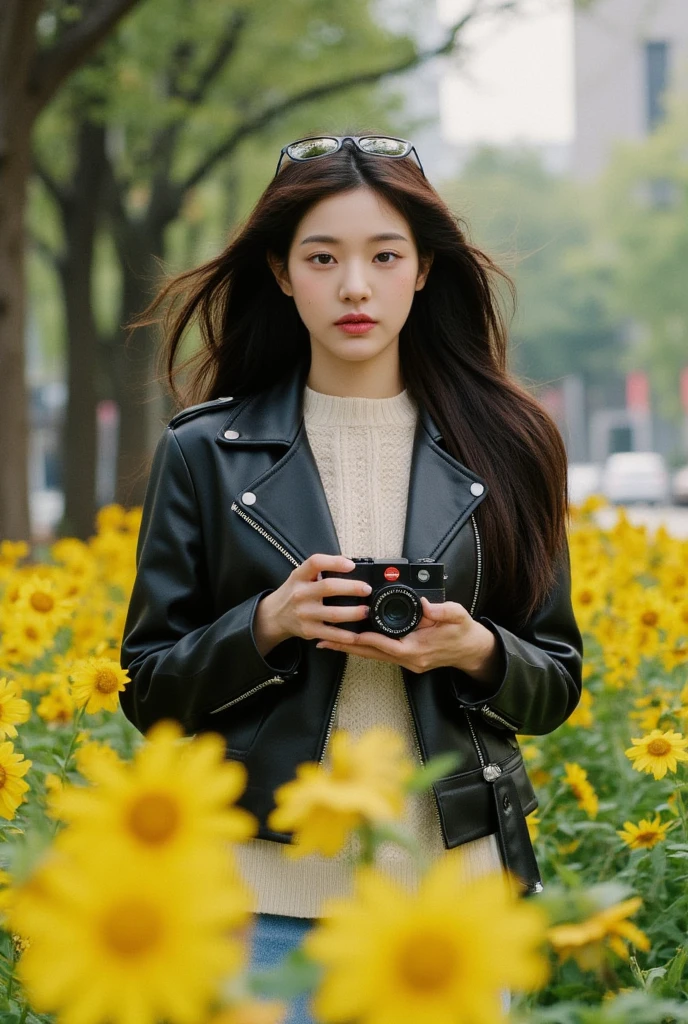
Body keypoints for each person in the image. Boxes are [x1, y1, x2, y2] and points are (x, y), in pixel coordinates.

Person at [119, 133, 583, 1023]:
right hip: (260, 903)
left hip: (451, 903)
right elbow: (149, 690)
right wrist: (265, 626)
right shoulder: (203, 455)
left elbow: (554, 683)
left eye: (384, 256)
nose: (356, 287)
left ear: (424, 271)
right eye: (323, 258)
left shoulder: (514, 446)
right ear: (283, 273)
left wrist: (476, 649)